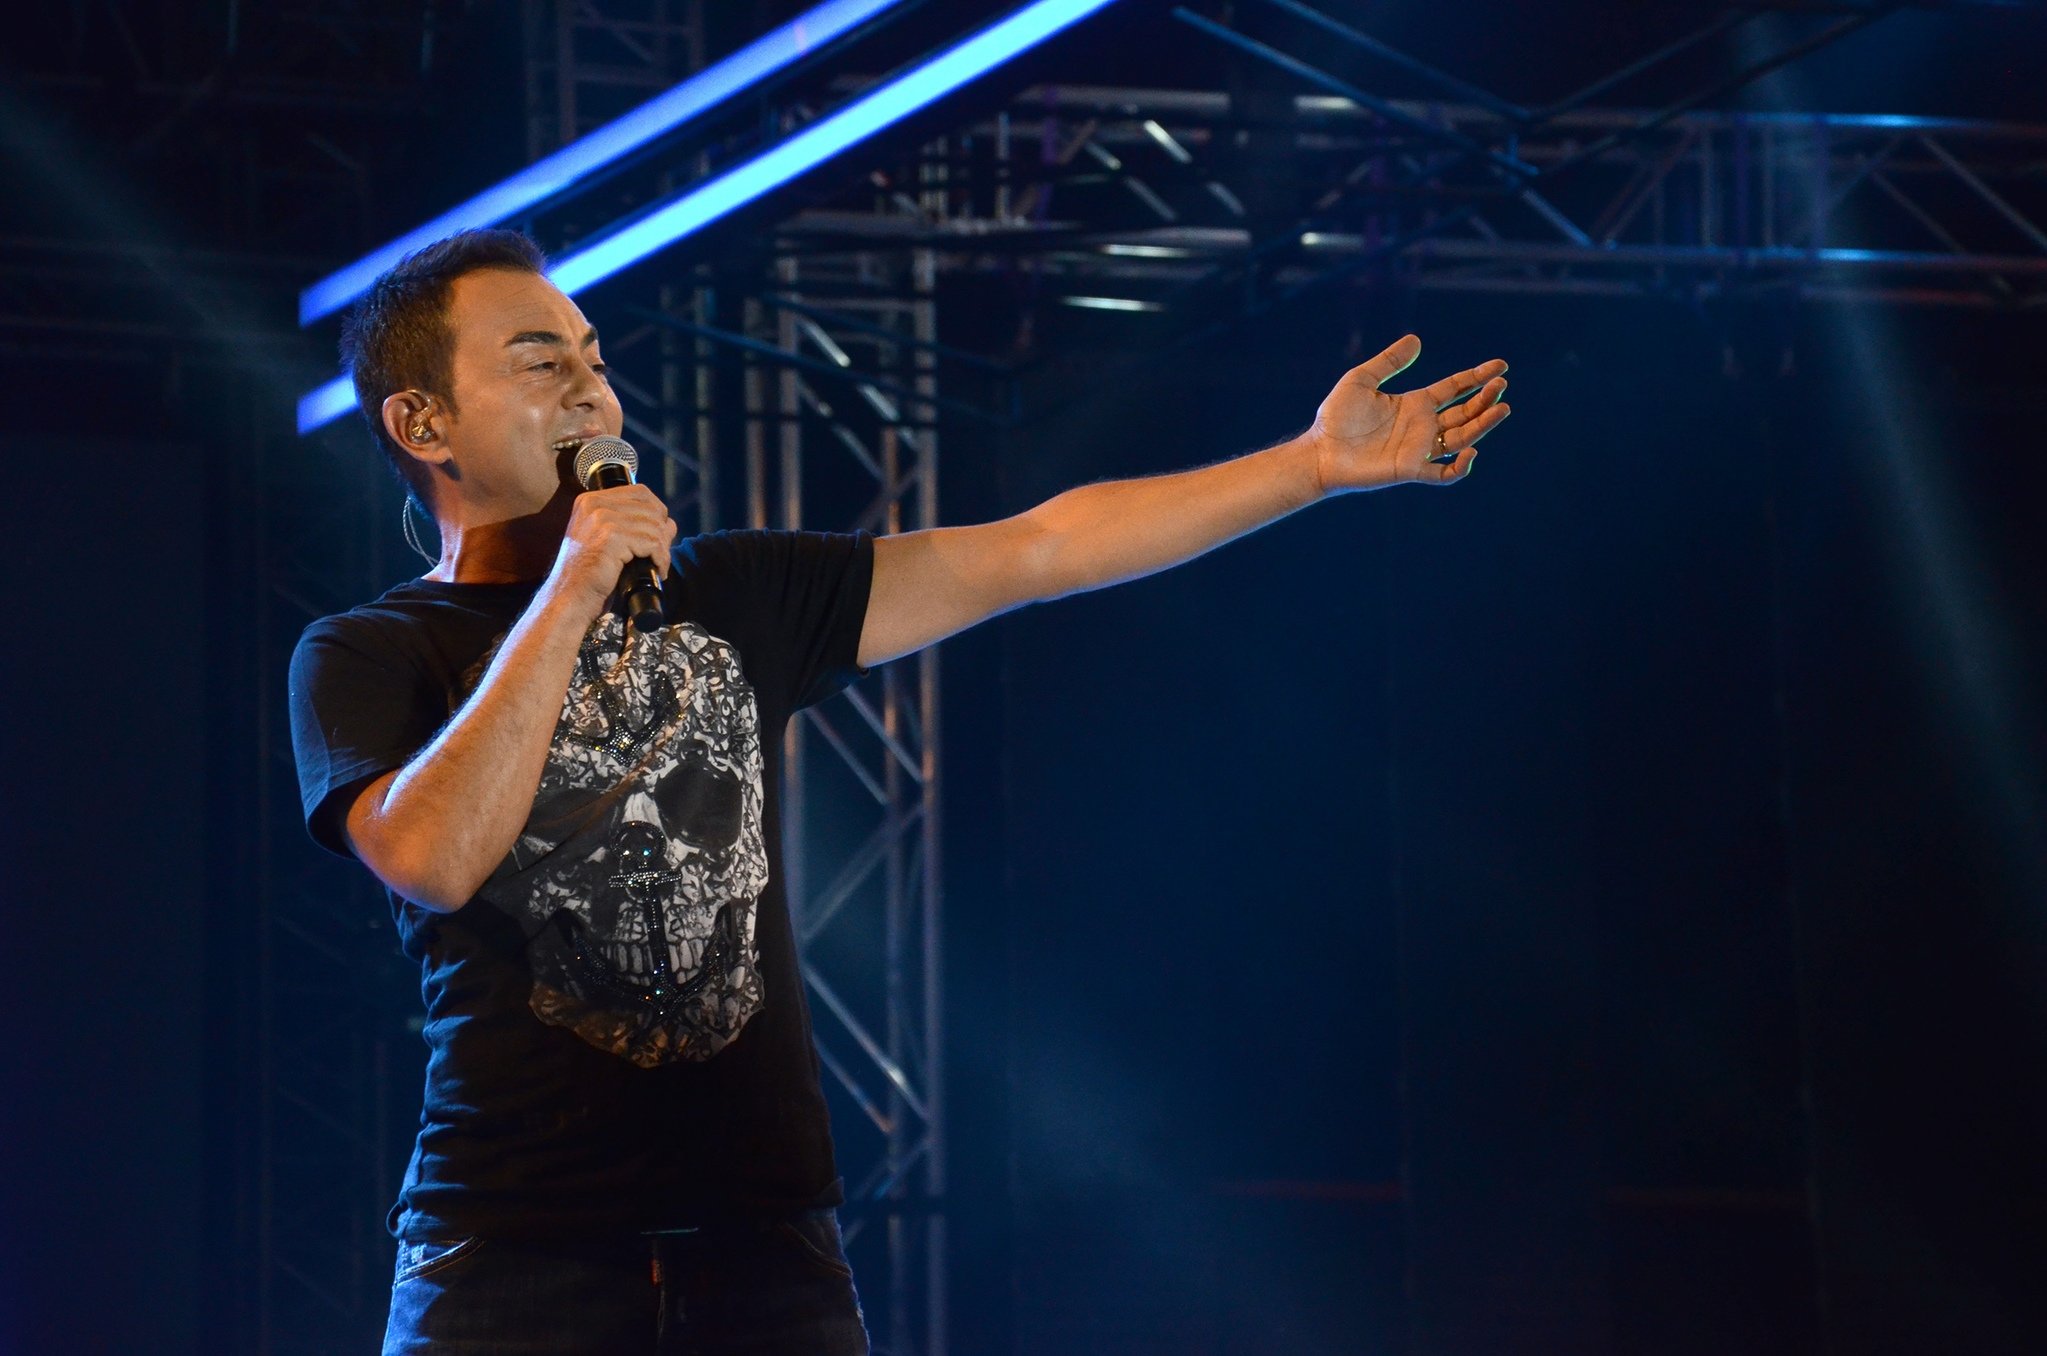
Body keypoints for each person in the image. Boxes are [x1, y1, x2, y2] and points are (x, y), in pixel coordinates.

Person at [287, 227, 1510, 1355]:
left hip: (767, 1254)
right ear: (423, 421)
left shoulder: (733, 592)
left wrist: (1308, 467)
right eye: (539, 360)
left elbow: (1035, 548)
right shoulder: (369, 654)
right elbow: (432, 856)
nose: (590, 389)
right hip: (509, 1259)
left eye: (594, 359)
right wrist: (573, 590)